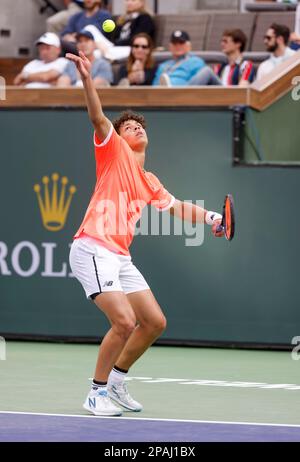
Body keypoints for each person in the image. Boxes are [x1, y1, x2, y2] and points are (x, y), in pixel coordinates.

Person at [67, 49, 224, 417]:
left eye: (141, 126)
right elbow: (96, 116)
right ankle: (96, 392)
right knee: (124, 321)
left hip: (120, 255)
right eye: (129, 126)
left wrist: (213, 217)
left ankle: (118, 382)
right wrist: (88, 79)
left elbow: (178, 207)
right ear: (120, 137)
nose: (137, 128)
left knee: (154, 322)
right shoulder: (112, 150)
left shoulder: (149, 180)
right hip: (92, 246)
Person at [84, 0, 155, 62]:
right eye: (127, 0)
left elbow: (137, 39)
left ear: (141, 2)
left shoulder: (145, 18)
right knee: (90, 29)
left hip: (131, 48)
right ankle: (106, 53)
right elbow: (112, 37)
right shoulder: (123, 18)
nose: (129, 3)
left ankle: (106, 53)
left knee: (97, 53)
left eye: (133, 0)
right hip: (115, 47)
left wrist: (114, 44)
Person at [187, 29, 255, 87]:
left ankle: (184, 95)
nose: (222, 44)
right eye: (222, 41)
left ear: (238, 44)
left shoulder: (246, 65)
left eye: (225, 41)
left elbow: (243, 89)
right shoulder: (220, 67)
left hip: (234, 98)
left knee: (207, 71)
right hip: (217, 97)